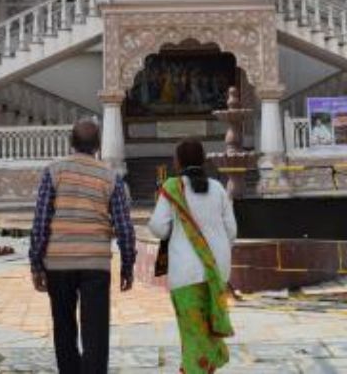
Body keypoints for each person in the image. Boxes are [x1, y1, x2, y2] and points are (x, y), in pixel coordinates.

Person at [29, 119, 136, 374]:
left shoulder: (54, 171)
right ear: (98, 145)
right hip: (95, 264)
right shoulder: (110, 177)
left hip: (59, 263)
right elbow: (124, 225)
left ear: (71, 143)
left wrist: (36, 263)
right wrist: (128, 265)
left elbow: (41, 220)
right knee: (95, 331)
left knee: (63, 327)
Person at [148, 139, 237, 373]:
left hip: (186, 274)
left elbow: (157, 227)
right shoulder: (218, 188)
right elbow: (232, 231)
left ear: (178, 163)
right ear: (203, 160)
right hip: (217, 271)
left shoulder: (172, 187)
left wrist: (176, 232)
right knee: (207, 332)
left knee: (193, 335)